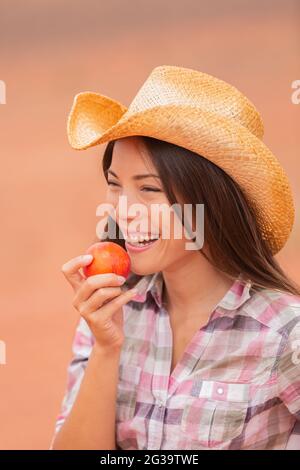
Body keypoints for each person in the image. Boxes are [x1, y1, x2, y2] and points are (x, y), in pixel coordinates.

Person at [50, 65, 300, 450]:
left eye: (150, 189)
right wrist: (106, 348)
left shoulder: (284, 334)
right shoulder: (110, 312)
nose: (124, 210)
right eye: (114, 185)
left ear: (211, 201)